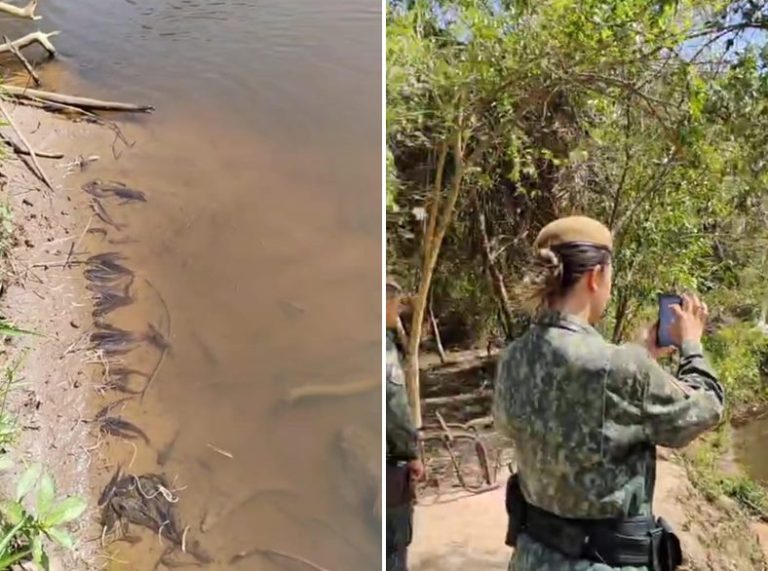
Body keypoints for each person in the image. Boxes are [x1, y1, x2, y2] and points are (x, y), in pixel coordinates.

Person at [493, 216, 724, 571]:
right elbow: (706, 408)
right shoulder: (620, 368)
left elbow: (562, 406)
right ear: (595, 276)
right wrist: (692, 344)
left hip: (531, 558)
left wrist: (640, 358)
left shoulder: (514, 357)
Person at [385, 277, 424, 571]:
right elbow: (395, 407)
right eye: (395, 305)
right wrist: (411, 454)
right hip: (387, 467)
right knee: (394, 545)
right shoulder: (382, 348)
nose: (396, 313)